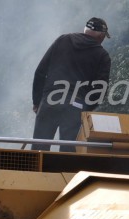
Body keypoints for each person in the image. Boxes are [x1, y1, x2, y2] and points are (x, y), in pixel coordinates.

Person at [31, 17, 111, 152]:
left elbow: (40, 72)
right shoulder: (102, 55)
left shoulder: (63, 40)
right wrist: (86, 108)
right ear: (101, 36)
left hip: (50, 100)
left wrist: (37, 101)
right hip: (76, 105)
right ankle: (65, 172)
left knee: (39, 147)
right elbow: (99, 90)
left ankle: (33, 173)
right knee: (68, 152)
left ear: (85, 30)